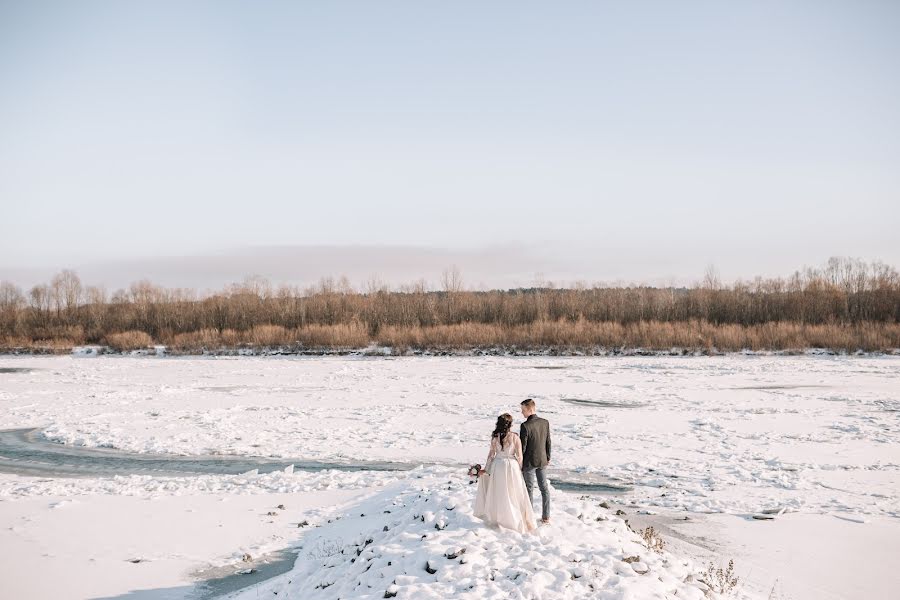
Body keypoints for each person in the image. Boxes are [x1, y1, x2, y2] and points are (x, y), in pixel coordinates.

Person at [473, 413, 536, 533]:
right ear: (510, 424)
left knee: (500, 493)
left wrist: (486, 470)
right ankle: (514, 519)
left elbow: (491, 455)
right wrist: (520, 469)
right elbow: (519, 455)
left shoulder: (495, 437)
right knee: (514, 493)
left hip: (498, 465)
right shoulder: (515, 437)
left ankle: (499, 518)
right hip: (511, 466)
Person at [519, 398, 551, 524]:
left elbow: (523, 447)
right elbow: (548, 441)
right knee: (544, 488)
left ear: (530, 409)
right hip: (543, 460)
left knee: (528, 490)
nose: (522, 413)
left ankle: (530, 518)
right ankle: (546, 517)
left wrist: (519, 462)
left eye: (523, 410)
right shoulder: (545, 422)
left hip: (529, 462)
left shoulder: (525, 426)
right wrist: (548, 457)